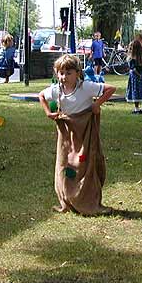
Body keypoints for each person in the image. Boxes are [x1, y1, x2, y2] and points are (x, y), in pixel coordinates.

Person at [38, 54, 116, 215]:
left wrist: (96, 104)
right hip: (67, 134)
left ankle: (87, 200)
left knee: (85, 163)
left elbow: (110, 89)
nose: (64, 77)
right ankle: (67, 198)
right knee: (66, 164)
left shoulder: (85, 87)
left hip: (85, 131)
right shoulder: (57, 90)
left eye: (68, 73)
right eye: (61, 73)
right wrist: (48, 113)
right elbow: (41, 96)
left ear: (77, 73)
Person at [125, 39, 142, 114]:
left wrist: (139, 75)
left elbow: (133, 69)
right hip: (141, 77)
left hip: (135, 78)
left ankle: (137, 108)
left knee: (136, 91)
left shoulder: (132, 58)